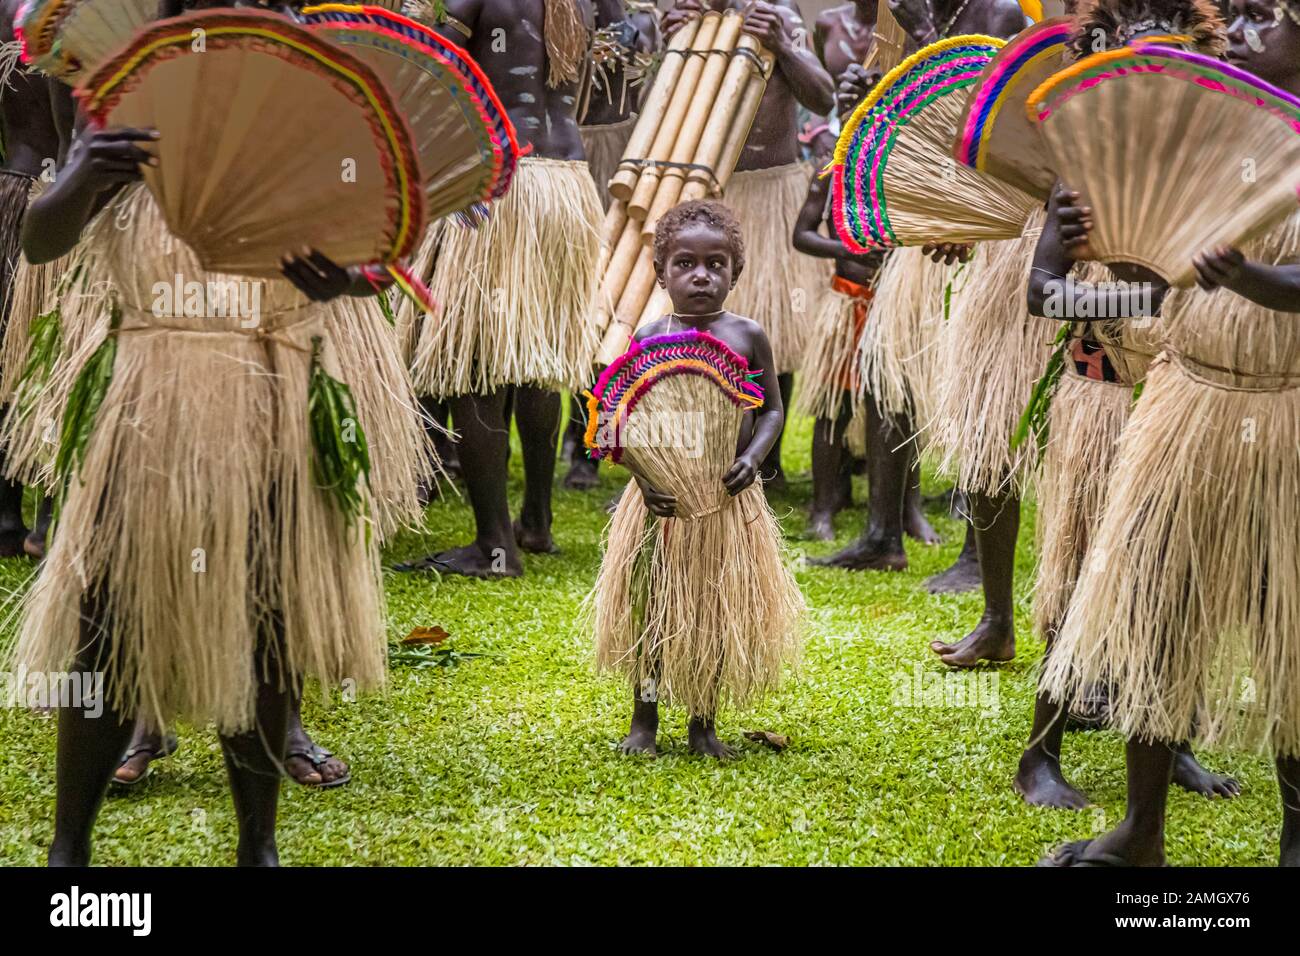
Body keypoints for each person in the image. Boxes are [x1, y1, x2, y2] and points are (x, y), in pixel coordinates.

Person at [11, 0, 393, 864]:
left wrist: (342, 278)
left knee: (266, 621)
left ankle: (256, 844)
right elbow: (42, 240)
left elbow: (372, 262)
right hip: (152, 393)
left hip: (269, 388)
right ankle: (70, 848)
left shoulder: (309, 91)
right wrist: (80, 174)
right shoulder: (120, 84)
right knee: (107, 621)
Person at [1039, 0, 1300, 865]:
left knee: (1287, 627)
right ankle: (1139, 834)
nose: (1247, 34)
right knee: (1154, 612)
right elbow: (1139, 297)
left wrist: (1254, 277)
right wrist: (1051, 267)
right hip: (1184, 411)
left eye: (1273, 19)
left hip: (1287, 415)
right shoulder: (1200, 149)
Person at [1013, 0, 1238, 810]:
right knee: (1078, 574)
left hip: (1184, 404)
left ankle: (1166, 741)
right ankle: (1040, 754)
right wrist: (1134, 291)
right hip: (1101, 400)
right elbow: (1043, 295)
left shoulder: (1224, 170)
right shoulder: (1082, 177)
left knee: (1173, 588)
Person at [398, 0, 623, 578]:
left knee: (477, 361)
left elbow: (431, 78)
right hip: (568, 185)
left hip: (496, 179)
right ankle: (537, 522)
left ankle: (493, 547)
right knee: (535, 355)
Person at [591, 199, 802, 758]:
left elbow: (774, 410)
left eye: (716, 264)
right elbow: (620, 422)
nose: (701, 275)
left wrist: (754, 457)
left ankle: (703, 725)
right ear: (660, 272)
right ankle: (644, 721)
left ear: (737, 271)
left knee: (712, 611)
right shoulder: (645, 338)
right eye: (685, 263)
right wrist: (642, 477)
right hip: (659, 506)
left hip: (724, 504)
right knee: (653, 611)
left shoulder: (748, 335)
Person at [662, 0, 834, 489]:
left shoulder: (780, 16)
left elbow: (822, 97)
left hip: (776, 188)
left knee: (775, 327)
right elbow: (658, 105)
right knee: (704, 328)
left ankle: (769, 462)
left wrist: (781, 45)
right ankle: (705, 451)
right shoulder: (685, 14)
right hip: (713, 192)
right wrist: (668, 44)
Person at [561, 0, 662, 491]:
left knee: (612, 300)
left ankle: (591, 440)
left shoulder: (641, 18)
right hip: (566, 156)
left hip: (621, 164)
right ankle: (575, 435)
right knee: (573, 298)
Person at [0, 0, 60, 558]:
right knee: (55, 353)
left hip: (13, 190)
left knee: (11, 354)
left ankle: (6, 517)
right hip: (69, 197)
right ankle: (46, 519)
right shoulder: (87, 15)